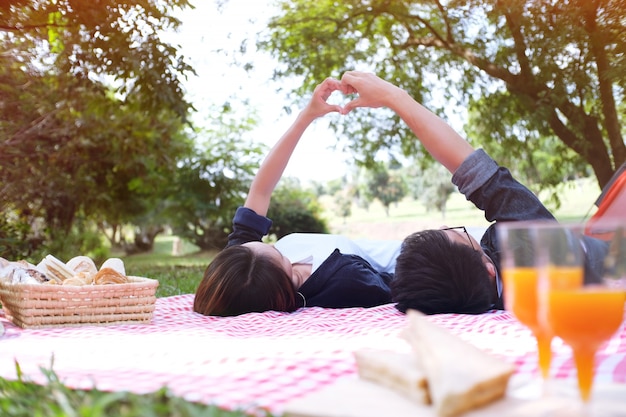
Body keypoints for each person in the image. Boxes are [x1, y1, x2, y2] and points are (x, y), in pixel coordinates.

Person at [338, 71, 609, 315]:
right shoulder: (534, 250)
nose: (446, 225)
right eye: (459, 233)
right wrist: (394, 97)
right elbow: (474, 171)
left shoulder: (458, 295)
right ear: (489, 269)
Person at [193, 77, 402, 317]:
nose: (261, 242)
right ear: (282, 282)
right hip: (418, 256)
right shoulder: (345, 283)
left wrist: (307, 116)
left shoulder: (245, 265)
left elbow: (260, 191)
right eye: (278, 252)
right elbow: (409, 285)